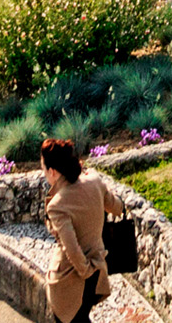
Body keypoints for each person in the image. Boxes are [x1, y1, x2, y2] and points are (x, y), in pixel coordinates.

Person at [41, 137, 126, 323]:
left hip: (69, 282)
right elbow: (117, 207)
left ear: (53, 172)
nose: (44, 175)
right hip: (97, 275)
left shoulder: (57, 205)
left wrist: (86, 271)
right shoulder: (94, 180)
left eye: (44, 169)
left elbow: (70, 248)